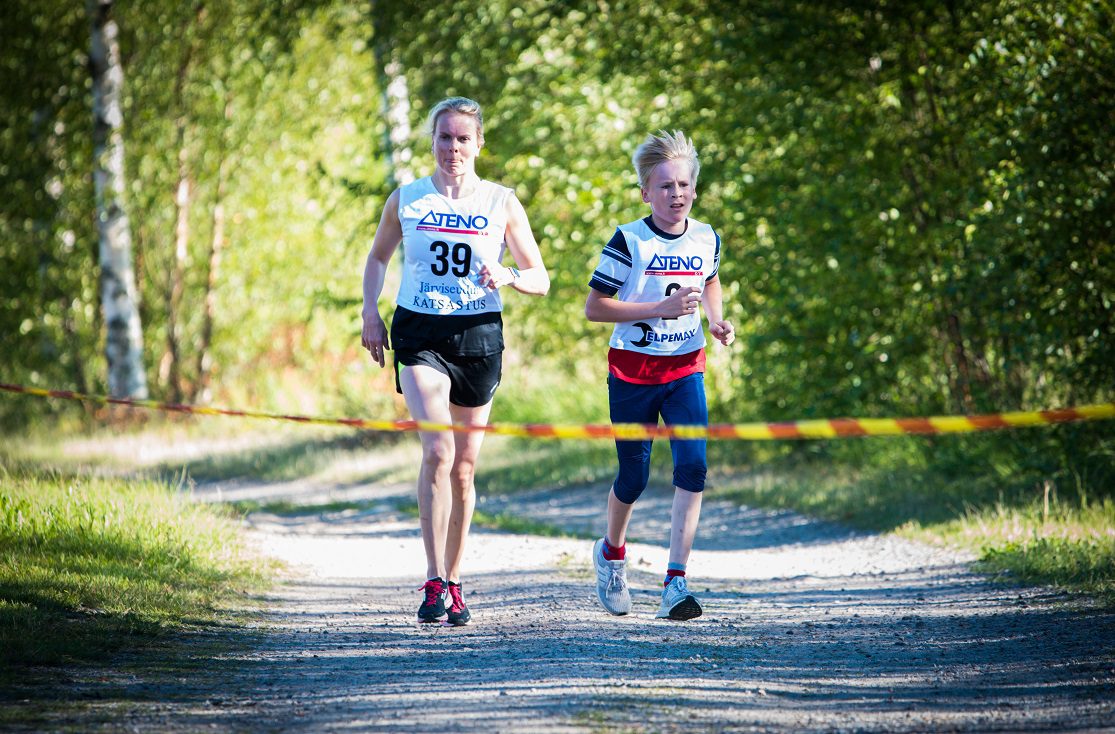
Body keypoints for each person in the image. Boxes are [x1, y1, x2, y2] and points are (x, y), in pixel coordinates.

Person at [361, 97, 549, 625]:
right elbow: (378, 257)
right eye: (444, 137)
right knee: (438, 450)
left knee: (464, 469)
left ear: (479, 143)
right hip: (419, 332)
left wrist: (510, 276)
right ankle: (432, 578)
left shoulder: (501, 202)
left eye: (463, 138)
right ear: (433, 141)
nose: (453, 148)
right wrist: (370, 311)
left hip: (478, 337)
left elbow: (541, 277)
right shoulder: (408, 199)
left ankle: (456, 579)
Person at [585, 129, 734, 620]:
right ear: (646, 193)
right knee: (634, 476)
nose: (676, 194)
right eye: (665, 186)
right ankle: (612, 554)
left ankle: (675, 581)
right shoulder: (629, 239)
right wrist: (659, 308)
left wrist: (716, 320)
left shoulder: (706, 237)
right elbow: (595, 307)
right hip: (632, 370)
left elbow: (710, 280)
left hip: (685, 367)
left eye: (684, 185)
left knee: (693, 467)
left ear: (695, 189)